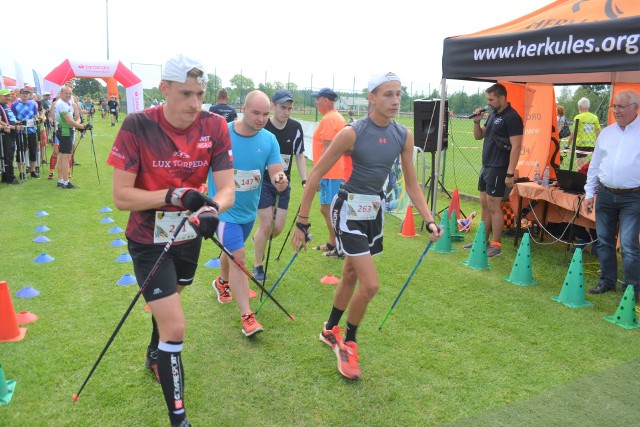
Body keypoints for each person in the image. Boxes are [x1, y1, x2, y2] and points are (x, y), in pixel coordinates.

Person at [107, 54, 235, 427]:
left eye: (200, 94)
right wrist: (174, 195)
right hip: (148, 238)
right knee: (176, 326)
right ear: (164, 89)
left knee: (171, 301)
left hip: (188, 234)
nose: (195, 104)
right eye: (185, 94)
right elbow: (122, 197)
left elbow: (226, 189)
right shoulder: (136, 125)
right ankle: (179, 420)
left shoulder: (215, 126)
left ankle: (154, 351)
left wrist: (213, 209)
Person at [292, 72, 442, 380]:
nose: (396, 100)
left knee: (349, 273)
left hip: (373, 211)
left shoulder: (403, 134)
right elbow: (317, 174)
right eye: (388, 94)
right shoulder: (352, 132)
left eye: (398, 93)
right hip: (348, 207)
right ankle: (349, 342)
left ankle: (329, 329)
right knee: (370, 284)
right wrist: (302, 221)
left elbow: (412, 183)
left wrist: (428, 219)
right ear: (371, 98)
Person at [210, 90, 288, 336]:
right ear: (243, 108)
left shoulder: (269, 140)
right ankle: (247, 316)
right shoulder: (223, 133)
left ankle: (221, 282)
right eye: (256, 112)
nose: (261, 118)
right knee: (239, 256)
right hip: (223, 211)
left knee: (232, 253)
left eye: (265, 114)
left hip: (247, 213)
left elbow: (276, 169)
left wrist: (279, 179)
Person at [584, 90, 640, 302]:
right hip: (606, 195)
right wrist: (589, 193)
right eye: (614, 106)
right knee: (604, 242)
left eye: (621, 107)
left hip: (633, 197)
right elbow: (595, 166)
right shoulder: (606, 133)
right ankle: (606, 282)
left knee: (628, 245)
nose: (616, 110)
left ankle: (632, 289)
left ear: (635, 107)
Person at [251, 89, 307, 280]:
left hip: (284, 184)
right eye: (283, 107)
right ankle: (257, 266)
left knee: (277, 229)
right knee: (266, 224)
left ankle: (257, 239)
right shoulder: (263, 126)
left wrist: (305, 180)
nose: (287, 112)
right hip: (264, 183)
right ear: (273, 106)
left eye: (290, 108)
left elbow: (299, 155)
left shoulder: (296, 127)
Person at [466, 83, 523, 257]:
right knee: (484, 203)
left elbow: (516, 146)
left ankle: (496, 245)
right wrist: (477, 122)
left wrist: (510, 172)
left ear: (502, 98)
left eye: (491, 99)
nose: (488, 102)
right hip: (487, 165)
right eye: (487, 99)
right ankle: (483, 241)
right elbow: (479, 136)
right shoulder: (492, 115)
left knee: (494, 205)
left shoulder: (512, 117)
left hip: (499, 167)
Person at [310, 87, 347, 257]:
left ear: (325, 100)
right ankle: (333, 242)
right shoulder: (332, 117)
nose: (315, 102)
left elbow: (328, 151)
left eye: (317, 99)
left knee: (332, 211)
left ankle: (340, 247)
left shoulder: (330, 119)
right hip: (332, 173)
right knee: (326, 209)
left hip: (331, 173)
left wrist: (317, 174)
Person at [53, 86, 88, 189]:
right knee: (66, 157)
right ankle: (65, 182)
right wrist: (83, 126)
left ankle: (60, 180)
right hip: (65, 131)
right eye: (66, 93)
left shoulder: (67, 103)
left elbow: (75, 119)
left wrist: (77, 124)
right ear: (61, 93)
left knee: (63, 157)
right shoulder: (61, 104)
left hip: (66, 130)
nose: (68, 95)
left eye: (70, 93)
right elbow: (69, 121)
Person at [12, 88, 40, 179]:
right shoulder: (15, 105)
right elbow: (13, 119)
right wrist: (19, 123)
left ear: (29, 95)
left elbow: (36, 116)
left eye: (27, 94)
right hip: (20, 131)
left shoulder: (32, 105)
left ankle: (32, 171)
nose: (25, 95)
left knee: (33, 151)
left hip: (31, 130)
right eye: (23, 94)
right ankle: (21, 172)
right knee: (21, 151)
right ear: (20, 95)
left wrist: (37, 120)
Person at [568, 97, 601, 170]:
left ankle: (582, 177)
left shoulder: (578, 117)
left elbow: (573, 133)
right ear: (588, 106)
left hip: (581, 144)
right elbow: (598, 132)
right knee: (593, 165)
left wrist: (568, 144)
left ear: (580, 107)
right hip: (592, 144)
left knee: (580, 166)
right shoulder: (595, 117)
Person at [0, 88, 20, 185]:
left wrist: (17, 124)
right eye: (5, 96)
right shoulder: (0, 106)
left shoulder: (7, 106)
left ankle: (5, 176)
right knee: (8, 155)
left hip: (12, 132)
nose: (8, 97)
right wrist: (9, 126)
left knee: (10, 154)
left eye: (9, 96)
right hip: (6, 133)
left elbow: (11, 118)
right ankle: (10, 177)